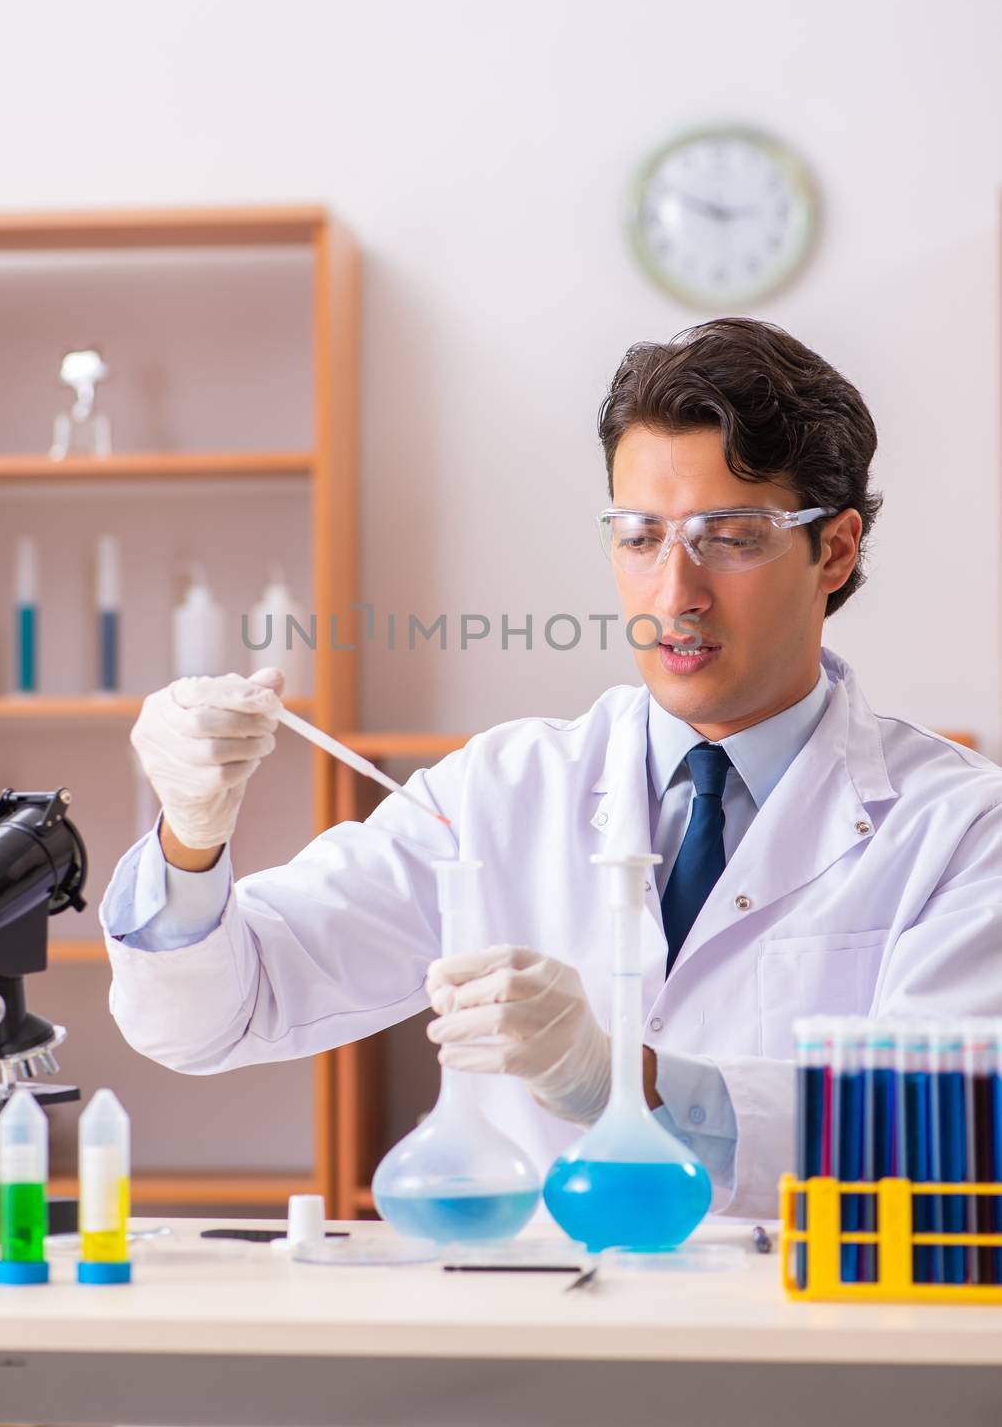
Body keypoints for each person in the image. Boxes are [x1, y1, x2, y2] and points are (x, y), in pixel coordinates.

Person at [101, 316, 1002, 1219]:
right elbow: (216, 1016)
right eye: (641, 536)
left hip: (815, 1340)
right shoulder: (498, 793)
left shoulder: (960, 829)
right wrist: (191, 838)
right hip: (542, 1336)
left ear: (833, 551)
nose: (675, 592)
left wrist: (634, 1085)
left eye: (729, 537)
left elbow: (949, 1135)